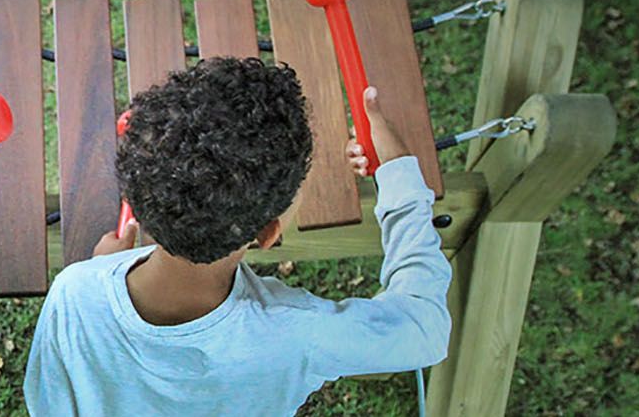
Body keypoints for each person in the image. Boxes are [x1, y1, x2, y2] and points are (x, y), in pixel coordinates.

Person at [24, 58, 451, 415]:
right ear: (268, 234)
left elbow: (49, 402)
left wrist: (100, 268)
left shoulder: (73, 293)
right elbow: (423, 328)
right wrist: (399, 178)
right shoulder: (296, 332)